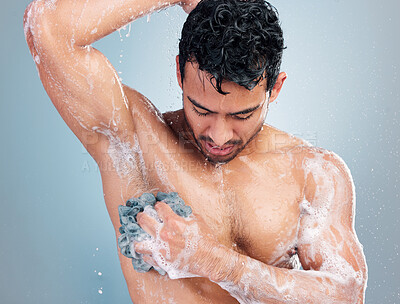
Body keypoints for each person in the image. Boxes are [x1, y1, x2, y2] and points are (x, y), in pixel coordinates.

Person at [24, 0, 367, 302]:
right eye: (202, 110)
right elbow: (47, 28)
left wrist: (214, 261)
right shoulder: (134, 140)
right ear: (178, 72)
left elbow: (345, 294)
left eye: (241, 115)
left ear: (274, 88)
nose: (219, 135)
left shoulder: (312, 174)